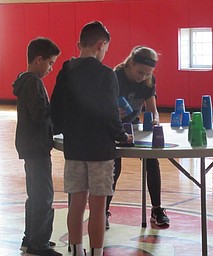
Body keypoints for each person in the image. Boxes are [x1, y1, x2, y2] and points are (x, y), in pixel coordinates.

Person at [50, 21, 132, 256]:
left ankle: (75, 251)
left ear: (79, 44)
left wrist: (65, 129)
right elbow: (109, 113)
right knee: (97, 207)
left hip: (74, 148)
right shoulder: (106, 74)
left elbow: (56, 108)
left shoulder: (65, 70)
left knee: (75, 204)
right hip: (100, 150)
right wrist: (121, 135)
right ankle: (96, 252)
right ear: (101, 44)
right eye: (106, 48)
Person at [105, 46, 170, 229]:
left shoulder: (148, 80)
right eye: (140, 72)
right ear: (130, 63)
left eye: (147, 74)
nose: (142, 77)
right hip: (113, 127)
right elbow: (101, 108)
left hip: (134, 126)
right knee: (114, 167)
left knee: (152, 160)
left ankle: (157, 209)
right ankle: (104, 211)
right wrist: (111, 111)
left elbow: (152, 109)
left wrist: (155, 121)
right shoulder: (114, 77)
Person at [12, 38, 61, 256]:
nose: (51, 68)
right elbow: (40, 114)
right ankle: (38, 244)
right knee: (43, 196)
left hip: (29, 146)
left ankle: (31, 238)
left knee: (35, 195)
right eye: (50, 63)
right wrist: (58, 111)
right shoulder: (33, 82)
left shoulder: (25, 81)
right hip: (37, 147)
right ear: (38, 59)